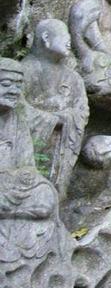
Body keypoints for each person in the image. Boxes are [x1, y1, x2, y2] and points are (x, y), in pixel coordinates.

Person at [22, 19, 89, 200]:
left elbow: (82, 110)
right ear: (45, 37)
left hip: (62, 147)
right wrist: (52, 119)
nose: (70, 41)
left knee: (56, 196)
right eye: (66, 35)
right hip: (34, 147)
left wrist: (68, 118)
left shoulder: (74, 78)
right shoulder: (26, 69)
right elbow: (17, 108)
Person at [0, 58, 58, 263]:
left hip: (11, 188)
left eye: (17, 86)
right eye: (6, 85)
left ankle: (13, 212)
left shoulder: (17, 120)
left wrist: (23, 177)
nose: (13, 91)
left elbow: (27, 164)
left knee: (46, 196)